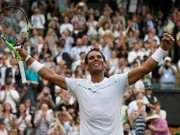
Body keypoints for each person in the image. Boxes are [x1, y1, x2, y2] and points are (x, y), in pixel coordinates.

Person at [17, 33, 174, 135]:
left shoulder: (117, 81)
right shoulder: (79, 85)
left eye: (99, 57)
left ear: (105, 64)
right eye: (91, 58)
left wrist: (163, 49)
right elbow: (50, 75)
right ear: (85, 66)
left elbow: (145, 68)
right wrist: (26, 57)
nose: (96, 59)